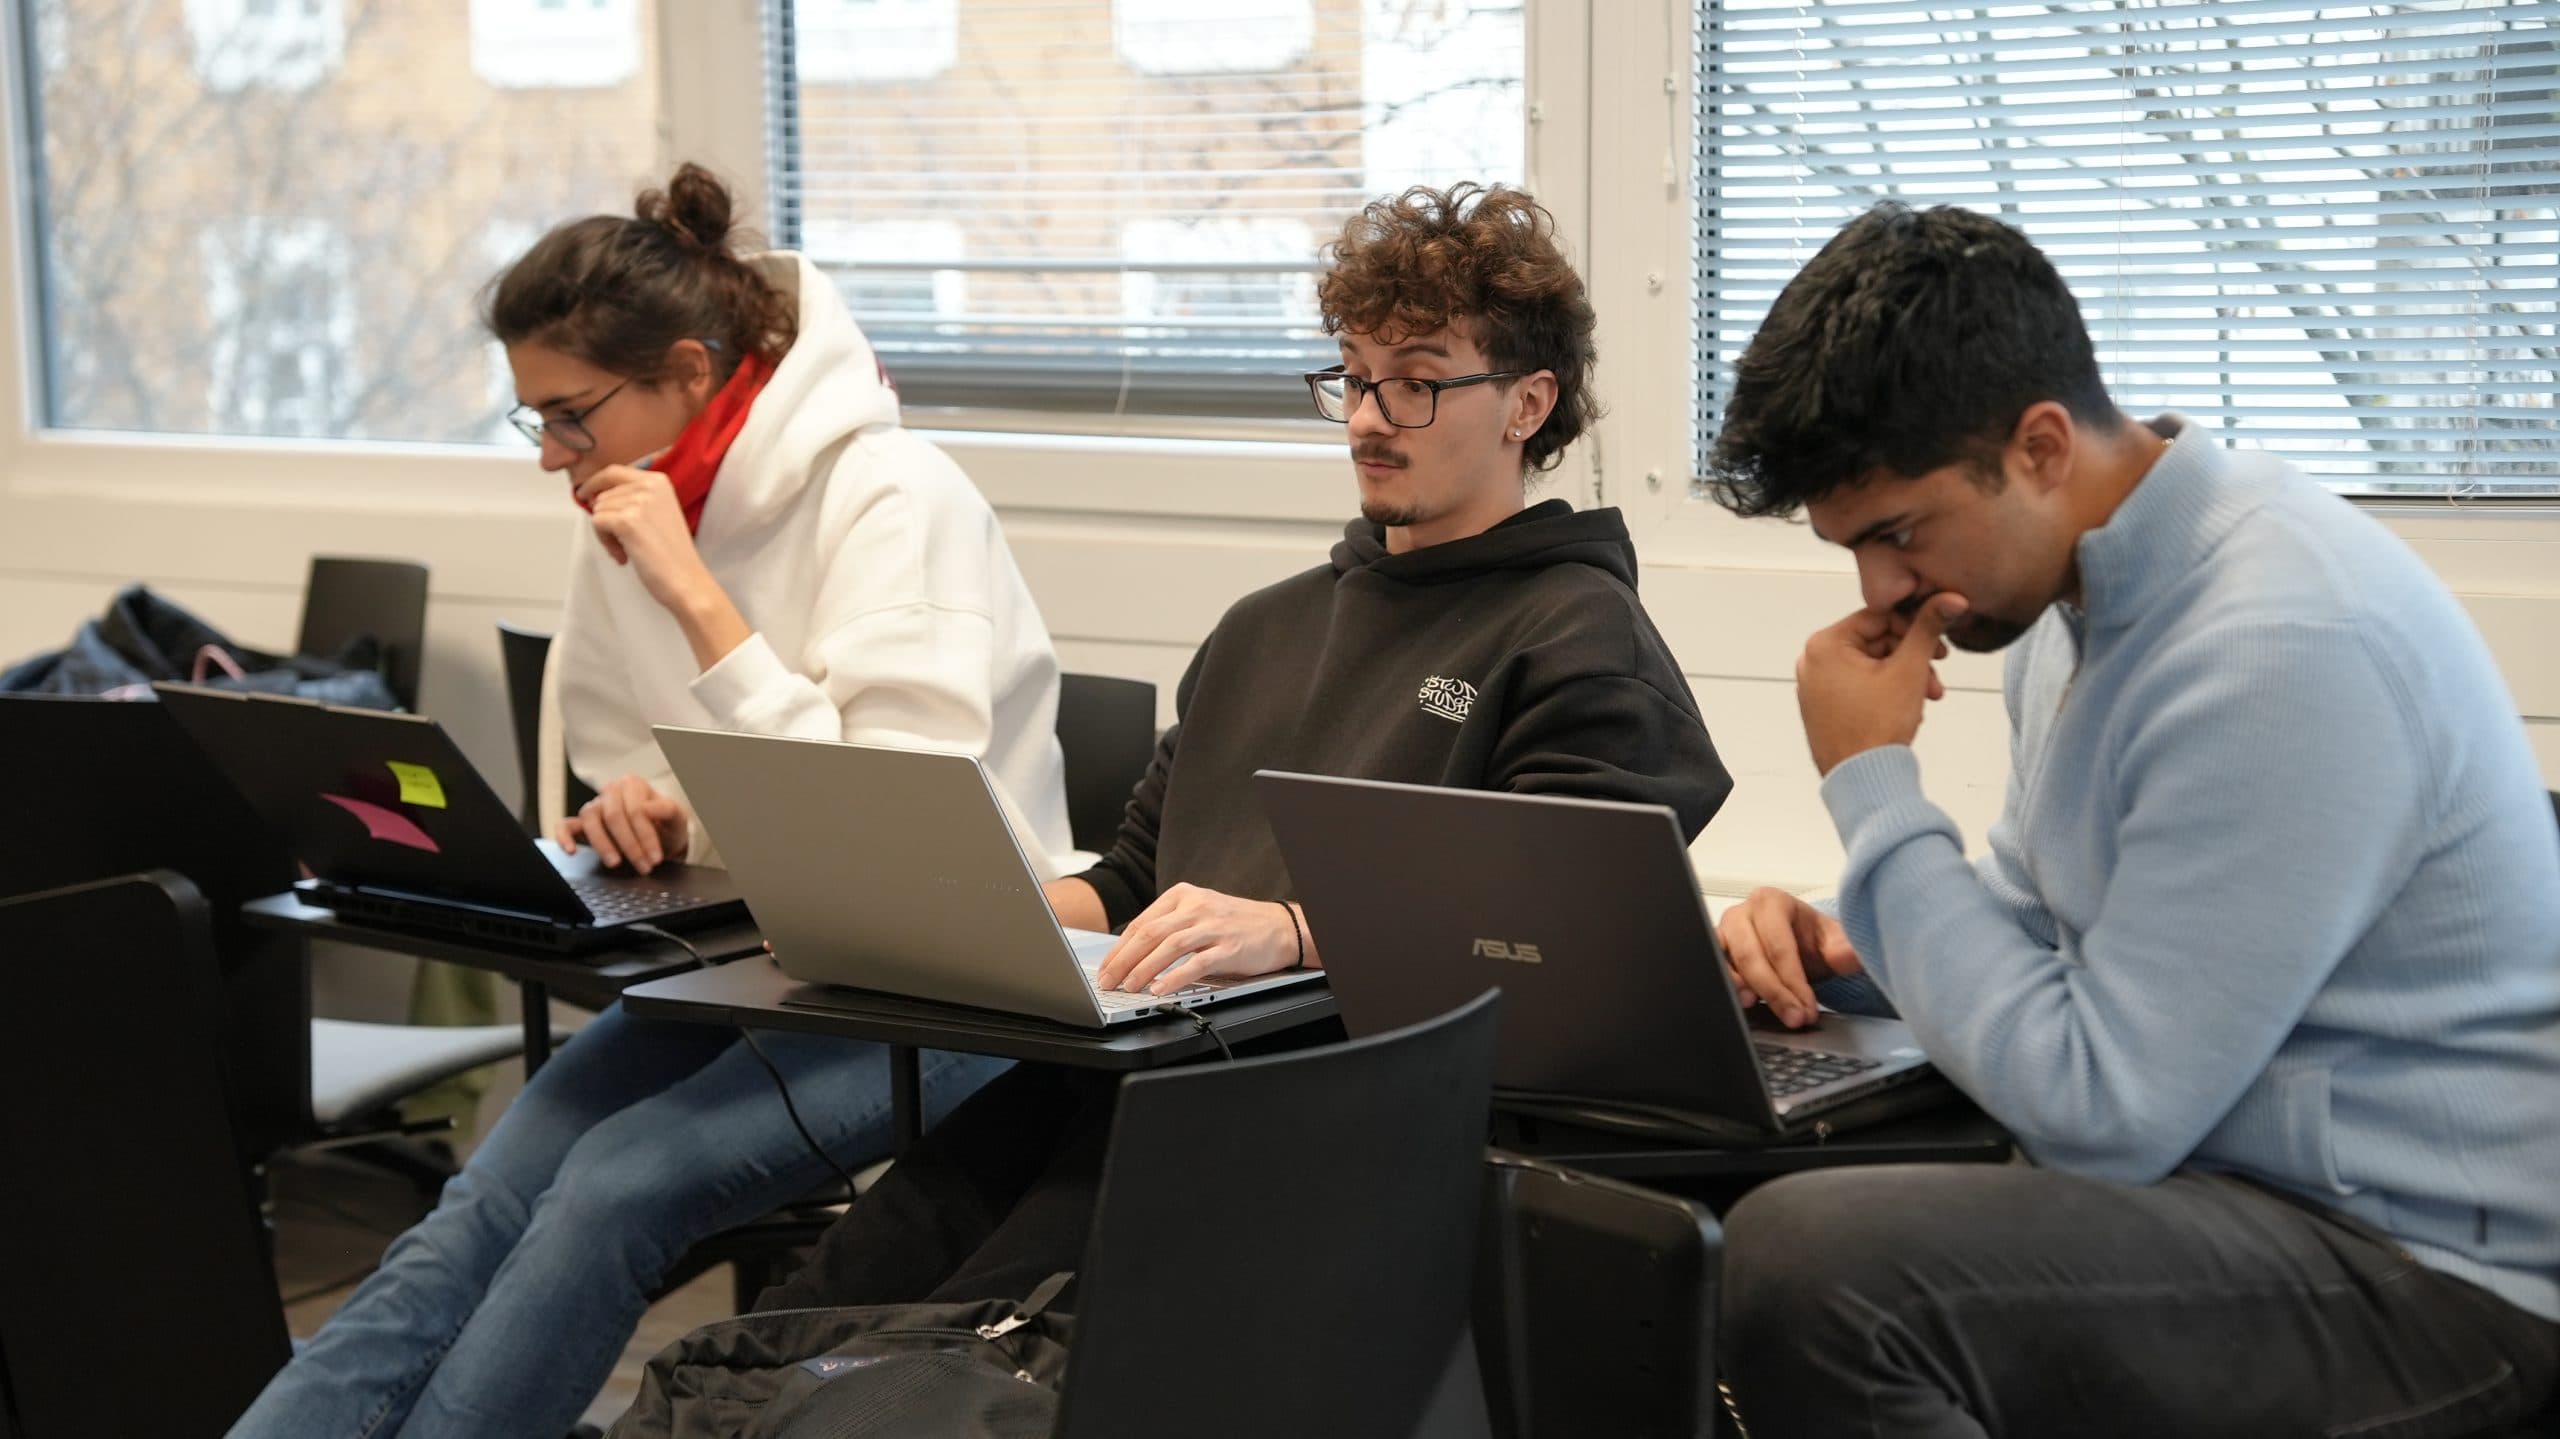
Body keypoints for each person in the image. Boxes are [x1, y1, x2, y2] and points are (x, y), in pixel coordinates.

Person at [749, 181, 1735, 1315]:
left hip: (1321, 1124)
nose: (1368, 416)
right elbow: (1128, 887)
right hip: (1134, 1081)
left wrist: (1294, 932)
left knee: (960, 1351)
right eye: (1355, 376)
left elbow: (1553, 944)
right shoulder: (1266, 627)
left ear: (1527, 404)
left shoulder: (1575, 634)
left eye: (1416, 380)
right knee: (807, 1314)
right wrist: (909, 916)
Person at [232, 164, 1070, 1439]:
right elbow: (638, 751)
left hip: (958, 975)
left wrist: (697, 596)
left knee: (609, 1191)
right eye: (536, 425)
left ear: (687, 366)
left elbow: (894, 824)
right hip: (761, 950)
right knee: (494, 1182)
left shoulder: (896, 497)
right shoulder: (626, 508)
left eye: (574, 416)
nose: (557, 460)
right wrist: (655, 805)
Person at [1703, 201, 2560, 1438]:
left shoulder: (2278, 643)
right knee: (1726, 1174)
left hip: (2426, 1274)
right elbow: (2052, 926)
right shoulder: (2080, 602)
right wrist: (1845, 946)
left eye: (1896, 534)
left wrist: (1873, 792)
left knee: (1814, 1267)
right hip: (2228, 1189)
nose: (1882, 590)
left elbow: (2104, 1110)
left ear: (2041, 446)